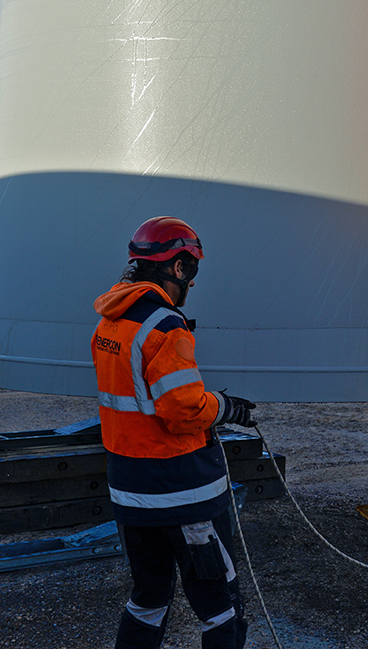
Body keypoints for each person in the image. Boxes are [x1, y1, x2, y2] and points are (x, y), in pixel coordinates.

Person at [92, 216, 256, 648]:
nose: (193, 284)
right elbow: (183, 411)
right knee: (220, 606)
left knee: (148, 599)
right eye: (192, 271)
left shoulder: (111, 322)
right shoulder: (165, 326)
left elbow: (141, 398)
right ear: (177, 268)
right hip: (182, 494)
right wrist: (227, 407)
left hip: (130, 492)